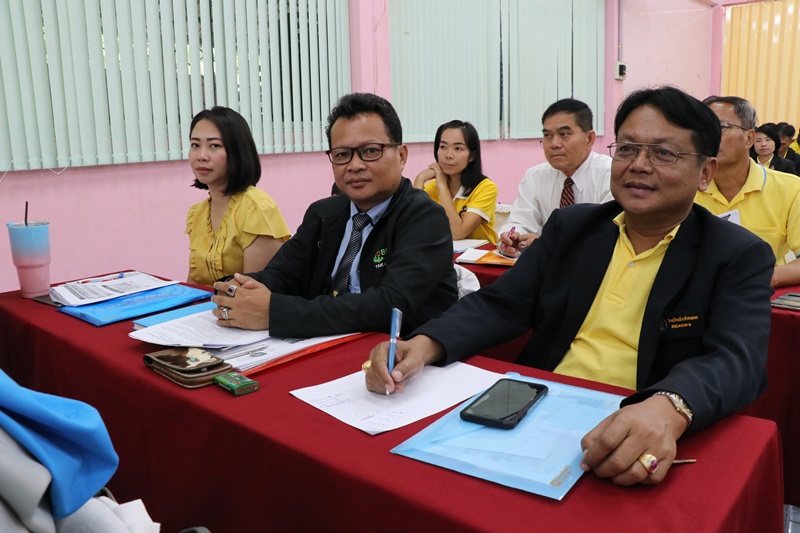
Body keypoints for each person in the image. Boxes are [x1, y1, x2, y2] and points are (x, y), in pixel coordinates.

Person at [364, 86, 774, 487]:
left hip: (640, 421)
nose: (639, 165)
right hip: (538, 409)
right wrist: (425, 344)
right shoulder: (572, 227)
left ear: (705, 172)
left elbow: (736, 359)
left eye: (664, 153)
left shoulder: (737, 254)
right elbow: (501, 302)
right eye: (628, 148)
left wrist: (669, 406)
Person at [209, 93, 458, 337]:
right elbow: (282, 275)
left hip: (399, 353)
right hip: (321, 343)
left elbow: (389, 305)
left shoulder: (424, 217)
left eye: (371, 151)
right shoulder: (323, 214)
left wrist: (276, 312)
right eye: (342, 154)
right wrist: (238, 288)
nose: (355, 165)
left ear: (401, 156)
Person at [696, 96, 800, 287]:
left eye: (721, 127)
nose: (708, 136)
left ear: (749, 138)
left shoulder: (791, 189)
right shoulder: (685, 188)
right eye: (701, 128)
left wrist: (756, 278)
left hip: (760, 294)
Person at [185, 106, 291, 287]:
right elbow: (193, 286)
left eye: (214, 146)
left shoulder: (256, 208)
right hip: (208, 304)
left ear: (237, 152)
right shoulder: (197, 213)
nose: (201, 156)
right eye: (195, 145)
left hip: (244, 304)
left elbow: (251, 291)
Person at [498, 98, 613, 257]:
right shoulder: (535, 177)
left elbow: (606, 237)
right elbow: (520, 222)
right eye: (547, 135)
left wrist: (547, 243)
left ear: (589, 139)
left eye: (564, 134)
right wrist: (511, 237)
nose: (554, 144)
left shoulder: (611, 176)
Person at [413, 120, 498, 244]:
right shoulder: (431, 187)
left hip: (480, 255)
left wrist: (442, 186)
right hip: (442, 253)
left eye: (458, 148)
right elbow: (413, 226)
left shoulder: (486, 188)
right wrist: (419, 179)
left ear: (472, 156)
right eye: (443, 147)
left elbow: (458, 233)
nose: (448, 155)